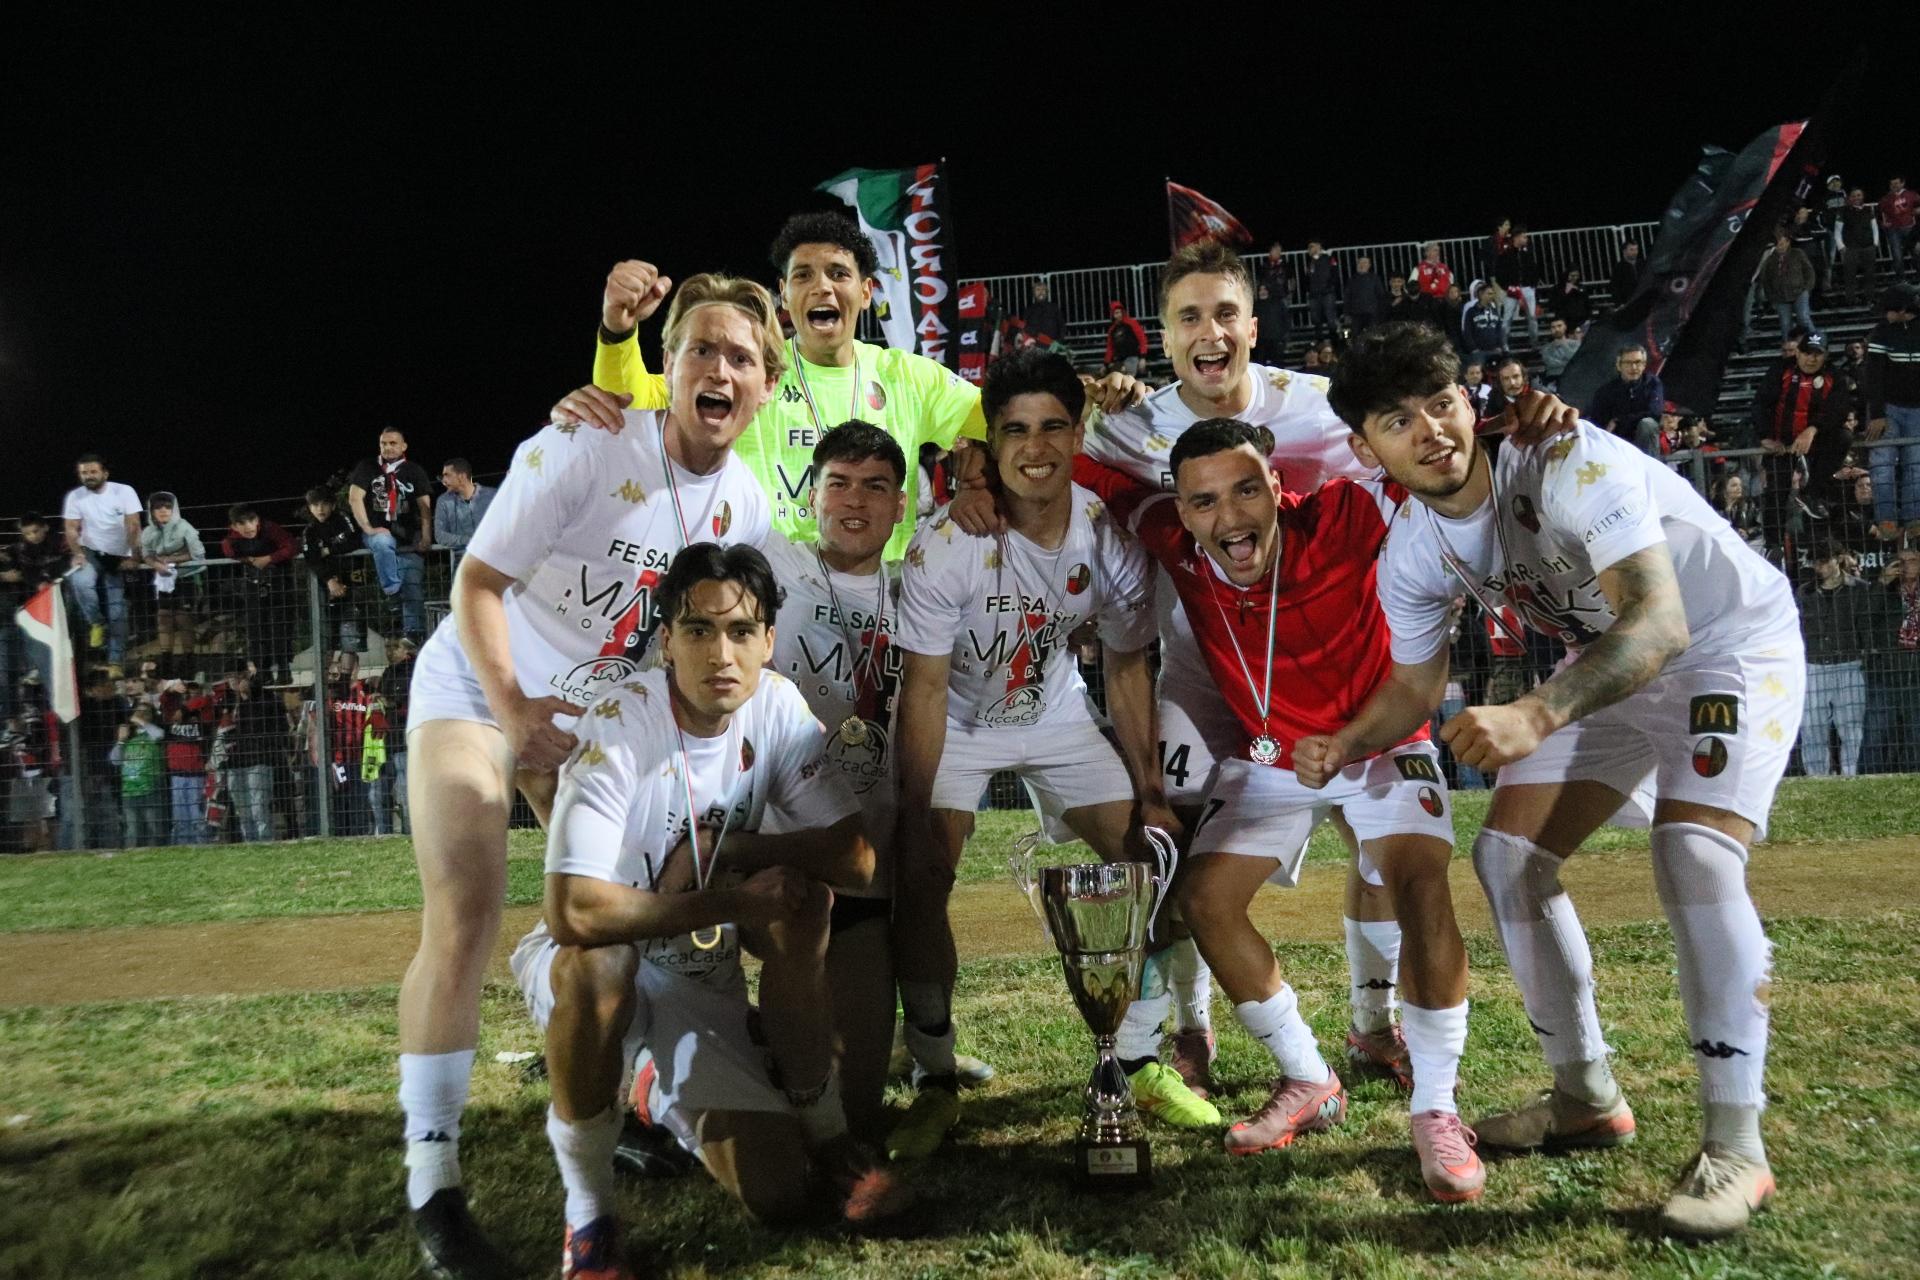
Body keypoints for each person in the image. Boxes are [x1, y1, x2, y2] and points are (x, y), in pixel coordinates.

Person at [1329, 320, 1805, 1239]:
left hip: (1724, 644)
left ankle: (1736, 1146)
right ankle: (1584, 1095)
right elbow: (1412, 691)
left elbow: (1660, 621)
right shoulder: (1414, 547)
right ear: (1366, 448)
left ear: (1469, 402)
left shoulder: (1566, 458)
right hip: (1612, 662)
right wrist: (1337, 742)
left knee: (1696, 854)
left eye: (1440, 403)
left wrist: (1535, 714)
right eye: (1397, 420)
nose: (1429, 430)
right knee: (1508, 859)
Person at [397, 273, 780, 1277]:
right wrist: (514, 710)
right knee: (467, 905)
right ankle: (434, 1181)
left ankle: (629, 1087)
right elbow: (478, 582)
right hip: (483, 683)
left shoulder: (743, 501)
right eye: (701, 348)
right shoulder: (587, 442)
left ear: (766, 385)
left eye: (741, 356)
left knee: (621, 918)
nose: (720, 368)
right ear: (670, 364)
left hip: (589, 716)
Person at [1081, 419, 1481, 1203]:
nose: (1230, 517)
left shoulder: (1343, 516)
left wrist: (1516, 420)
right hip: (1273, 758)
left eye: (1246, 491)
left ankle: (1436, 1107)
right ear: (1182, 511)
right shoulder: (1172, 538)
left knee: (1419, 886)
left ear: (1276, 485)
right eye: (1204, 502)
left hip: (1380, 741)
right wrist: (988, 462)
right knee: (1204, 900)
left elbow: (1445, 465)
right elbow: (1090, 473)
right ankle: (1308, 1077)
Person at [1074, 238, 1414, 1105]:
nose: (1210, 332)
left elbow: (1403, 463)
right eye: (1189, 317)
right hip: (1202, 668)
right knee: (1178, 847)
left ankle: (1374, 1023)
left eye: (1226, 313)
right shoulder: (1128, 425)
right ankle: (1192, 1028)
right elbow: (1061, 458)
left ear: (1253, 325)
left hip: (1322, 669)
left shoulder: (1322, 406)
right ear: (1163, 335)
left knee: (1375, 846)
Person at [510, 543, 901, 1275]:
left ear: (768, 642)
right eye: (699, 630)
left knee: (781, 1194)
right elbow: (573, 914)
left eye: (741, 631)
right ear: (666, 642)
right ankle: (588, 1218)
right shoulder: (622, 721)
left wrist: (733, 848)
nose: (721, 654)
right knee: (602, 965)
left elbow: (857, 862)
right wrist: (725, 900)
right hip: (589, 965)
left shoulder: (776, 706)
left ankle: (813, 1131)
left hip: (696, 974)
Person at [887, 348, 1174, 1160]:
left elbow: (1126, 666)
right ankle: (935, 1074)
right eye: (1015, 430)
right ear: (991, 443)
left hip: (1055, 713)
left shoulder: (1107, 534)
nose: (1036, 447)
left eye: (1053, 427)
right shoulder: (948, 541)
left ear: (1079, 435)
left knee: (1149, 860)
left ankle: (1139, 1057)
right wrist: (913, 811)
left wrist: (1152, 789)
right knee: (922, 876)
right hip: (960, 720)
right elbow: (925, 690)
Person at [577, 215, 991, 562]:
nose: (822, 287)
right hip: (763, 599)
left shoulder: (908, 377)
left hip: (878, 600)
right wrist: (617, 331)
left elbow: (1005, 421)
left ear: (866, 292)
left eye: (839, 273)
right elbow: (630, 401)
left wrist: (981, 479)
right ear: (785, 295)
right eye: (803, 275)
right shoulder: (751, 372)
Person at [1748, 332, 1853, 545]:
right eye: (1807, 353)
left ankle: (1813, 495)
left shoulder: (1834, 375)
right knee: (1776, 494)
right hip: (1782, 444)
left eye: (1817, 354)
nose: (1811, 359)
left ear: (1826, 356)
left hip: (1816, 443)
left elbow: (1840, 409)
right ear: (1797, 353)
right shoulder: (1781, 370)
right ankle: (1772, 547)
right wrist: (1765, 436)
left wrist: (1813, 429)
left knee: (1843, 438)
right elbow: (1761, 403)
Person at [348, 428, 433, 643]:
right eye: (383, 443)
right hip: (378, 530)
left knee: (412, 583)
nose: (387, 447)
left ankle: (414, 635)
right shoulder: (367, 466)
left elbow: (424, 507)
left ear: (404, 446)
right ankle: (392, 592)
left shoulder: (414, 470)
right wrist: (368, 528)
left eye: (393, 443)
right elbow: (355, 498)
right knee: (383, 542)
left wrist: (426, 536)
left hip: (409, 534)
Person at [62, 454, 141, 674]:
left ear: (105, 473)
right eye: (84, 473)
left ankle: (115, 662)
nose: (88, 476)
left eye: (93, 472)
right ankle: (96, 622)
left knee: (117, 611)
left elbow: (134, 525)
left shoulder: (124, 491)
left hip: (118, 555)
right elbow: (71, 528)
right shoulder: (75, 496)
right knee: (80, 582)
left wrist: (134, 556)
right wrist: (77, 553)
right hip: (91, 552)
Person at [1796, 543, 1870, 777]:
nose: (1820, 567)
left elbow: (1865, 626)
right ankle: (1817, 778)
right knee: (1812, 727)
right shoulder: (1805, 592)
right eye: (1815, 562)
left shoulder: (1859, 588)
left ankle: (1850, 775)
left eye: (1824, 561)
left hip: (1849, 664)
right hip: (1814, 665)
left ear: (1837, 559)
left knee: (1851, 727)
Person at [1862, 284, 1920, 541]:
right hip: (1888, 409)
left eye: (1888, 309)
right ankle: (1886, 518)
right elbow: (1873, 375)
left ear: (1903, 309)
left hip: (1918, 411)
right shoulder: (1881, 332)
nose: (1885, 314)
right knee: (1881, 464)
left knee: (1916, 466)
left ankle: (1915, 518)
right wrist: (1877, 414)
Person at [220, 505, 299, 685]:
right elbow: (227, 549)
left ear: (257, 520)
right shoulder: (232, 540)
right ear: (234, 526)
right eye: (242, 523)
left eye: (251, 521)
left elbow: (292, 546)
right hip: (253, 586)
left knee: (281, 628)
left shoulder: (270, 529)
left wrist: (268, 559)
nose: (248, 526)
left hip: (279, 584)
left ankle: (284, 670)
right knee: (256, 631)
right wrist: (247, 560)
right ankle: (263, 672)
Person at [137, 493, 206, 680]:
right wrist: (156, 564)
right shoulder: (148, 532)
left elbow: (198, 554)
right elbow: (146, 554)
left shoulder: (185, 527)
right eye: (158, 508)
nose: (163, 511)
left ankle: (189, 662)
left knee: (184, 619)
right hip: (164, 580)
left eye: (167, 507)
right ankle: (166, 662)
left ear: (173, 509)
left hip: (187, 577)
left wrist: (171, 559)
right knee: (164, 618)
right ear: (151, 511)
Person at [1864, 546, 1920, 772]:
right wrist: (1881, 583)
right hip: (1887, 670)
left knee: (1916, 732)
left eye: (1911, 560)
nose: (1905, 566)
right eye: (1900, 561)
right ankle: (1868, 777)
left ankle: (1913, 775)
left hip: (1916, 672)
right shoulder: (1886, 590)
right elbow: (1864, 616)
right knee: (1875, 731)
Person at [301, 486, 369, 662]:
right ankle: (324, 677)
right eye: (315, 505)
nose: (320, 509)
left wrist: (329, 549)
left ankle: (346, 677)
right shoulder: (310, 531)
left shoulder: (344, 519)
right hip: (326, 589)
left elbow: (356, 541)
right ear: (309, 507)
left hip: (353, 584)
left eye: (324, 504)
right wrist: (330, 580)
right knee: (326, 637)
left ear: (332, 505)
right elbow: (312, 558)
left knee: (350, 635)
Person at [221, 669, 281, 843]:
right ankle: (249, 841)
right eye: (230, 676)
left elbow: (265, 720)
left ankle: (264, 840)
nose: (233, 680)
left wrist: (249, 694)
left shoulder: (262, 698)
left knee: (258, 806)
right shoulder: (227, 701)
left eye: (237, 676)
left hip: (257, 759)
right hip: (234, 762)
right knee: (242, 808)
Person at [372, 637, 416, 837]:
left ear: (406, 650)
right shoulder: (388, 673)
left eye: (394, 647)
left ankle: (409, 833)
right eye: (387, 647)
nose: (389, 651)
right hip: (384, 743)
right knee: (377, 793)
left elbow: (408, 703)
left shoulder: (413, 672)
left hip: (403, 741)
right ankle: (384, 833)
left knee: (405, 792)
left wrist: (389, 702)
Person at [1588, 344, 1665, 455]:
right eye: (1628, 363)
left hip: (1642, 439)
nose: (1634, 367)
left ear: (1644, 365)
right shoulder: (1605, 391)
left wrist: (1620, 421)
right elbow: (1597, 422)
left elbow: (1654, 413)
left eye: (1638, 362)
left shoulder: (1653, 383)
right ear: (1619, 366)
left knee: (1648, 424)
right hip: (1616, 441)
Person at [110, 702, 167, 847]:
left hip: (150, 788)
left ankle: (156, 854)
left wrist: (141, 721)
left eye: (145, 712)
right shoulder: (128, 736)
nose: (140, 714)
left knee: (153, 828)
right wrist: (120, 741)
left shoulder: (152, 734)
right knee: (132, 830)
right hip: (129, 790)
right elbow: (115, 760)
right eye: (138, 711)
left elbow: (160, 735)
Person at [434, 459, 496, 566]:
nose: (443, 480)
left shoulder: (491, 495)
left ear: (462, 476)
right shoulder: (443, 501)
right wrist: (470, 540)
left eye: (447, 475)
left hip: (492, 558)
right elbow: (440, 535)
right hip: (462, 560)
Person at [1756, 230, 1817, 341]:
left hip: (1799, 291)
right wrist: (1771, 297)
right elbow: (1766, 279)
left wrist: (1807, 288)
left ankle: (1815, 342)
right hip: (1780, 296)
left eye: (1782, 243)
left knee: (1804, 318)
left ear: (1788, 242)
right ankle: (1788, 346)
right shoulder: (1770, 258)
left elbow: (1809, 271)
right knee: (1785, 324)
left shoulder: (1797, 253)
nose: (1779, 246)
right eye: (1777, 244)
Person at [1495, 226, 1543, 343]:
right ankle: (1504, 344)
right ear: (1516, 238)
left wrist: (1533, 284)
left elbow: (1534, 269)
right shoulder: (1506, 254)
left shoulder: (1527, 253)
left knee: (1532, 317)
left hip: (1527, 288)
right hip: (1512, 289)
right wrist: (1507, 287)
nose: (1526, 239)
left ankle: (1534, 343)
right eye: (1524, 237)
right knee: (1507, 318)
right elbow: (1499, 273)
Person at [1834, 187, 1880, 306]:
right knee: (1850, 275)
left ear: (1863, 196)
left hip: (1868, 246)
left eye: (1859, 195)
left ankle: (1869, 298)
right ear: (1849, 198)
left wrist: (1875, 243)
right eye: (1854, 196)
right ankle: (1850, 300)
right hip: (1850, 248)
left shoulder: (1868, 210)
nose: (1856, 198)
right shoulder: (1843, 211)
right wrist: (1841, 247)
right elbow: (1837, 231)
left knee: (1870, 274)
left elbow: (1874, 228)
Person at [1880, 175, 1918, 282]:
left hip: (1910, 228)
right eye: (1892, 184)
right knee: (1897, 255)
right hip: (1894, 230)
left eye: (1896, 183)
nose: (1894, 186)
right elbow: (1879, 213)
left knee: (1916, 253)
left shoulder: (1911, 194)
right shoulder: (1886, 198)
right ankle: (1901, 279)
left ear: (1902, 183)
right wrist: (1882, 223)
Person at [1302, 240, 1341, 341]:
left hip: (1327, 293)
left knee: (1330, 316)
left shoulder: (1329, 258)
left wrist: (1329, 286)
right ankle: (1319, 339)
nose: (1310, 249)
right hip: (1314, 294)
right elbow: (1307, 277)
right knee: (1315, 318)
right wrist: (1308, 289)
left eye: (1312, 246)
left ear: (1319, 246)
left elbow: (1335, 273)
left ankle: (1334, 338)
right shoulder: (1310, 262)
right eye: (1309, 247)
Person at [1462, 283, 1509, 367]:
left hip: (1494, 351)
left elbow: (1499, 330)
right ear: (1481, 294)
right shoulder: (1471, 312)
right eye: (1489, 293)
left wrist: (1500, 346)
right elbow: (1467, 331)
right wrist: (1473, 348)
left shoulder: (1495, 311)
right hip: (1478, 352)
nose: (1492, 296)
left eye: (1493, 294)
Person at [1345, 255, 1390, 333]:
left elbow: (1381, 296)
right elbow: (1347, 298)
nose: (1362, 265)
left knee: (1373, 336)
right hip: (1356, 314)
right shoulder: (1351, 280)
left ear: (1369, 265)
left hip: (1372, 314)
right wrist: (1347, 314)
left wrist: (1381, 313)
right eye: (1360, 262)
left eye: (1365, 262)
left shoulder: (1375, 278)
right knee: (1356, 336)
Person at [1104, 300, 1149, 376]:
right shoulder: (1112, 330)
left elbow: (1142, 340)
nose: (1119, 315)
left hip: (1132, 357)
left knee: (1128, 376)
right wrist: (1106, 364)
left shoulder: (1132, 323)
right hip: (1118, 360)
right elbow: (1110, 348)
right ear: (1113, 315)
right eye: (1116, 313)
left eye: (1120, 312)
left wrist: (1143, 358)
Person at [1022, 279, 1065, 348]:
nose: (1041, 292)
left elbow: (1062, 326)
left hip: (1052, 345)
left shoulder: (1054, 307)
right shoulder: (1029, 310)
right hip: (1035, 346)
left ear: (1047, 292)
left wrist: (1058, 342)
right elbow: (1024, 328)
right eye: (1038, 290)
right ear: (1033, 293)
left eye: (1043, 290)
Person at [1608, 241, 1649, 308]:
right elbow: (1614, 287)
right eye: (1631, 250)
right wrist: (1619, 303)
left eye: (1636, 249)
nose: (1635, 252)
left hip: (1643, 300)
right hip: (1628, 302)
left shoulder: (1643, 264)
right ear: (1624, 251)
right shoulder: (1619, 268)